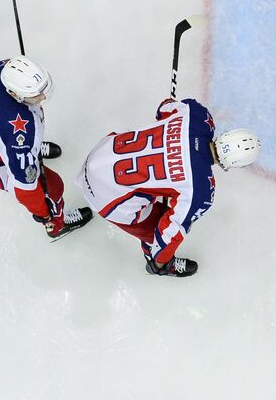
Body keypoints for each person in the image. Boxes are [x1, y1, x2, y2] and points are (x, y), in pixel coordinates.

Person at [79, 97, 260, 277]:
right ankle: (159, 267)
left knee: (156, 184)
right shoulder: (201, 189)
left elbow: (163, 108)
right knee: (156, 231)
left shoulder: (197, 114)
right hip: (105, 195)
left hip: (100, 152)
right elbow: (169, 234)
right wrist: (160, 260)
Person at [0, 57, 93, 238]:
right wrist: (43, 213)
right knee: (54, 186)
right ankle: (57, 224)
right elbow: (26, 190)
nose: (42, 97)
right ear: (15, 95)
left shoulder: (1, 68)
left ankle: (32, 152)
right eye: (36, 94)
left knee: (24, 147)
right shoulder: (22, 138)